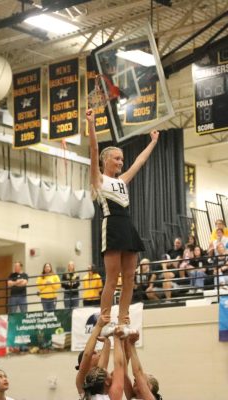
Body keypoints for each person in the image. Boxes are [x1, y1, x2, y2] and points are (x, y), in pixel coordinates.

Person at [87, 108, 159, 326]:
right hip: (112, 225)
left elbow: (139, 161)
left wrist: (153, 142)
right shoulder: (98, 179)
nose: (120, 162)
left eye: (121, 159)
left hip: (127, 226)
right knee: (112, 278)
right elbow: (93, 148)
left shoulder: (122, 180)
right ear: (106, 160)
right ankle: (105, 318)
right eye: (117, 158)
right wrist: (91, 124)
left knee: (129, 277)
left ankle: (123, 318)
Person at [123, 331, 162, 400]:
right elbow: (123, 374)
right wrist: (124, 343)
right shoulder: (133, 396)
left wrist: (132, 344)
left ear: (150, 387)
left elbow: (137, 373)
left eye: (141, 380)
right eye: (135, 380)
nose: (135, 381)